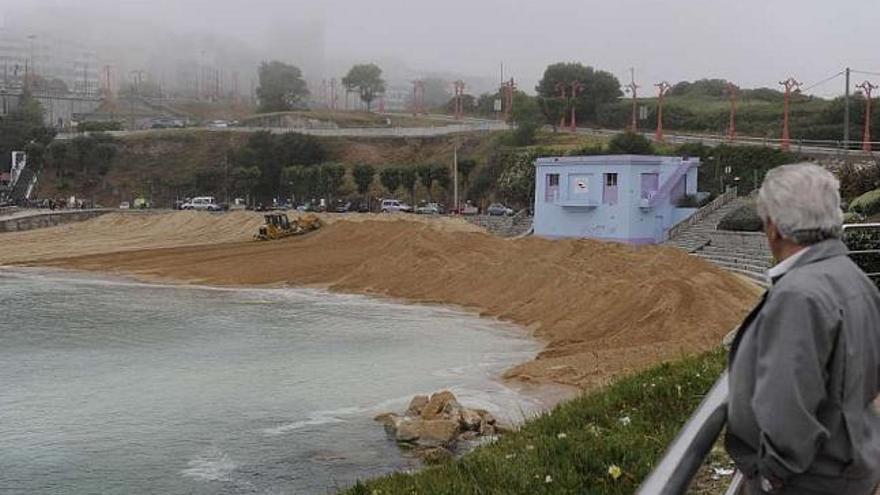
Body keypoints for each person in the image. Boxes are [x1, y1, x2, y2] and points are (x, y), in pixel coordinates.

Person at [726, 163, 880, 495]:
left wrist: (770, 477)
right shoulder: (853, 278)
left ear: (775, 227)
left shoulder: (799, 294)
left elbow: (787, 406)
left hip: (812, 480)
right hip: (851, 464)